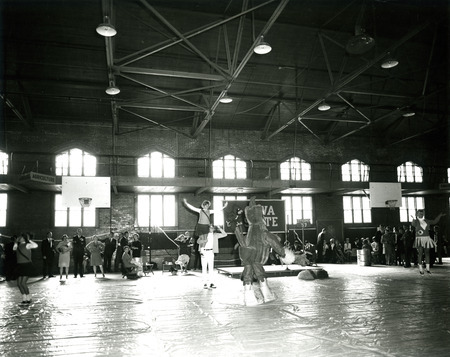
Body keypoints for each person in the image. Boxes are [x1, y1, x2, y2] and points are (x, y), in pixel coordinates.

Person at [411, 210, 445, 275]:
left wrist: (439, 216)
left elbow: (434, 221)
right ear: (417, 214)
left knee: (427, 253)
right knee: (420, 253)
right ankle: (421, 269)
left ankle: (428, 268)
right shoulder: (416, 221)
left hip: (427, 238)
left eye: (422, 213)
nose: (421, 214)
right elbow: (413, 224)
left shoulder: (427, 221)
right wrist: (413, 219)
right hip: (419, 239)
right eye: (419, 213)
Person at [13, 233, 38, 304]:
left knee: (23, 283)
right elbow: (14, 248)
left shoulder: (27, 245)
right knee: (19, 283)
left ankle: (28, 297)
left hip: (26, 266)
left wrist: (29, 240)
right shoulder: (18, 245)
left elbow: (36, 245)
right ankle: (24, 297)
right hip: (19, 266)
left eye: (21, 237)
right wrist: (15, 242)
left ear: (24, 238)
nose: (19, 238)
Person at [200, 225, 227, 289]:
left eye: (213, 228)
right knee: (204, 268)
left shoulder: (215, 235)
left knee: (211, 268)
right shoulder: (204, 234)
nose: (211, 229)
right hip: (204, 252)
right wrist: (201, 252)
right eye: (210, 228)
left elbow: (225, 234)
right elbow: (199, 243)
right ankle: (205, 283)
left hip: (211, 252)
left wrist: (220, 228)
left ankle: (211, 283)